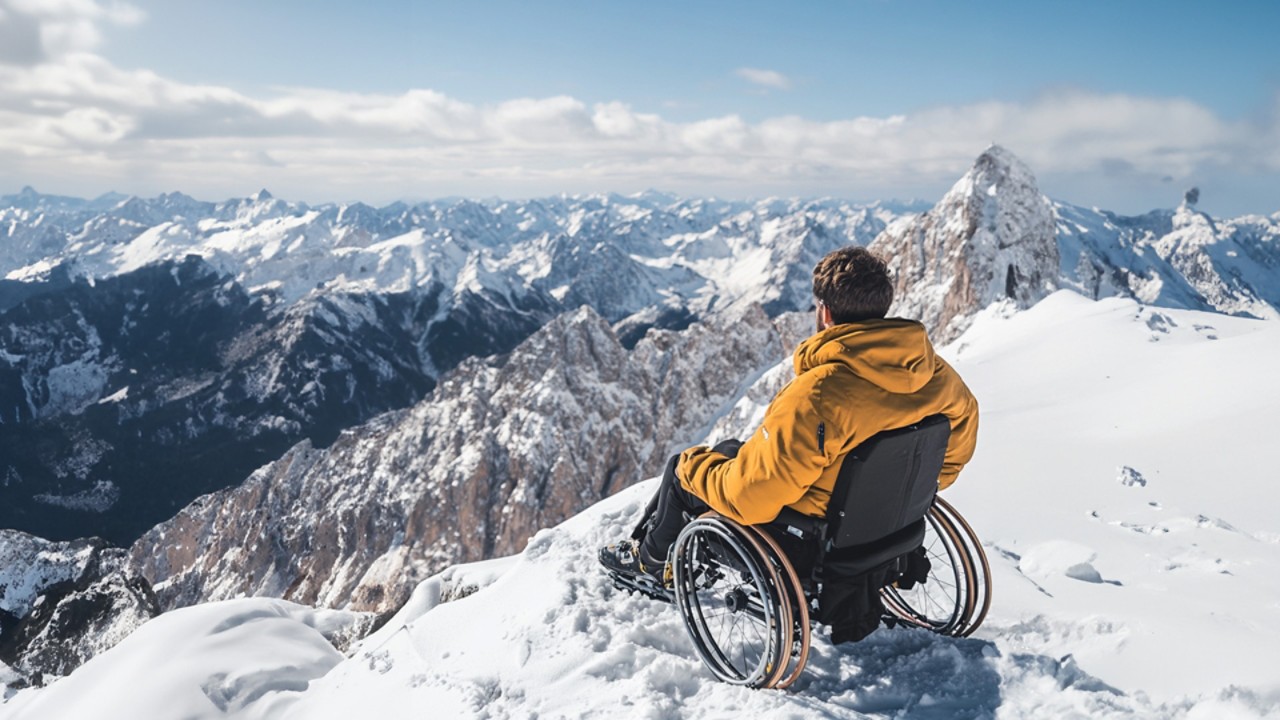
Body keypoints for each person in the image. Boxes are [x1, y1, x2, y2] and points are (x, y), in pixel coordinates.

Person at [598, 246, 979, 592]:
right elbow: (949, 460)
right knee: (732, 451)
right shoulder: (939, 376)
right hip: (887, 528)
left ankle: (651, 563)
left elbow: (751, 500)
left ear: (825, 313)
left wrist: (696, 468)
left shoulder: (819, 394)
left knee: (684, 469)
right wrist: (891, 492)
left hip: (809, 544)